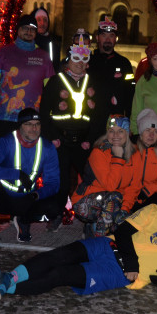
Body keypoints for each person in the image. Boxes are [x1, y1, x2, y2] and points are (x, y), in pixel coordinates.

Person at [0, 183, 157, 300]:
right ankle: (7, 277)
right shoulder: (154, 210)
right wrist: (133, 261)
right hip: (109, 245)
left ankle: (3, 288)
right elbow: (123, 231)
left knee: (59, 275)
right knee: (57, 256)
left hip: (119, 272)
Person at [0, 108, 62, 256]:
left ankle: (23, 220)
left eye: (37, 124)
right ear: (20, 126)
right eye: (29, 124)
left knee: (55, 207)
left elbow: (53, 182)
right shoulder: (6, 142)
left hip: (27, 198)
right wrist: (16, 174)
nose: (34, 128)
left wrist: (36, 195)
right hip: (3, 197)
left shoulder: (47, 147)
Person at [40, 40, 105, 211]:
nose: (80, 63)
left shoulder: (94, 83)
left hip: (84, 141)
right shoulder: (55, 81)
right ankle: (57, 213)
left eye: (84, 59)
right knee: (62, 180)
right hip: (60, 140)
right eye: (76, 59)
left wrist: (90, 139)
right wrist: (52, 136)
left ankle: (88, 212)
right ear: (68, 60)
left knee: (89, 177)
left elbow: (99, 116)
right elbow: (44, 112)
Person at [0, 13, 56, 140]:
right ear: (18, 30)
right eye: (25, 28)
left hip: (32, 121)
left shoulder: (43, 57)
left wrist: (50, 116)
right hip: (4, 118)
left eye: (32, 29)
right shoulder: (4, 52)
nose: (29, 31)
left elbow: (51, 90)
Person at [71, 114, 136, 238]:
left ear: (127, 134)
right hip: (85, 201)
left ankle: (94, 227)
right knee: (114, 198)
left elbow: (133, 186)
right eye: (111, 131)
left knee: (127, 222)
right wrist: (117, 158)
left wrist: (124, 210)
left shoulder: (134, 154)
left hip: (113, 202)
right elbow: (110, 186)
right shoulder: (99, 152)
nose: (115, 135)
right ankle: (99, 241)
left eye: (120, 131)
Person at [87, 17, 135, 118]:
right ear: (97, 38)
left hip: (116, 120)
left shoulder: (124, 63)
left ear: (116, 39)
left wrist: (130, 120)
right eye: (104, 35)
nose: (107, 39)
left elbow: (131, 92)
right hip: (91, 119)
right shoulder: (88, 61)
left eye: (111, 36)